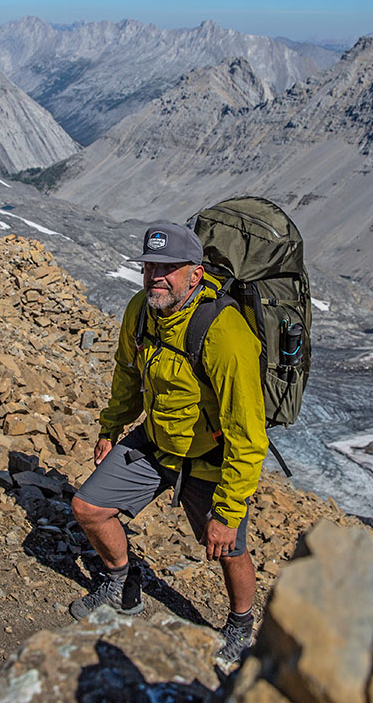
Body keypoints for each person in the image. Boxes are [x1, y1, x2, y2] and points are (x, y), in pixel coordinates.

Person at [69, 222, 268, 666]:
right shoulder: (140, 309)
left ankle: (240, 628)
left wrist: (229, 512)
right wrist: (110, 428)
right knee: (88, 507)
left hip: (210, 456)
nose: (156, 275)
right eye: (150, 266)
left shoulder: (225, 333)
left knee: (227, 547)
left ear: (195, 274)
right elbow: (126, 374)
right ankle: (121, 582)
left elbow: (248, 435)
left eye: (168, 268)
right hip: (157, 439)